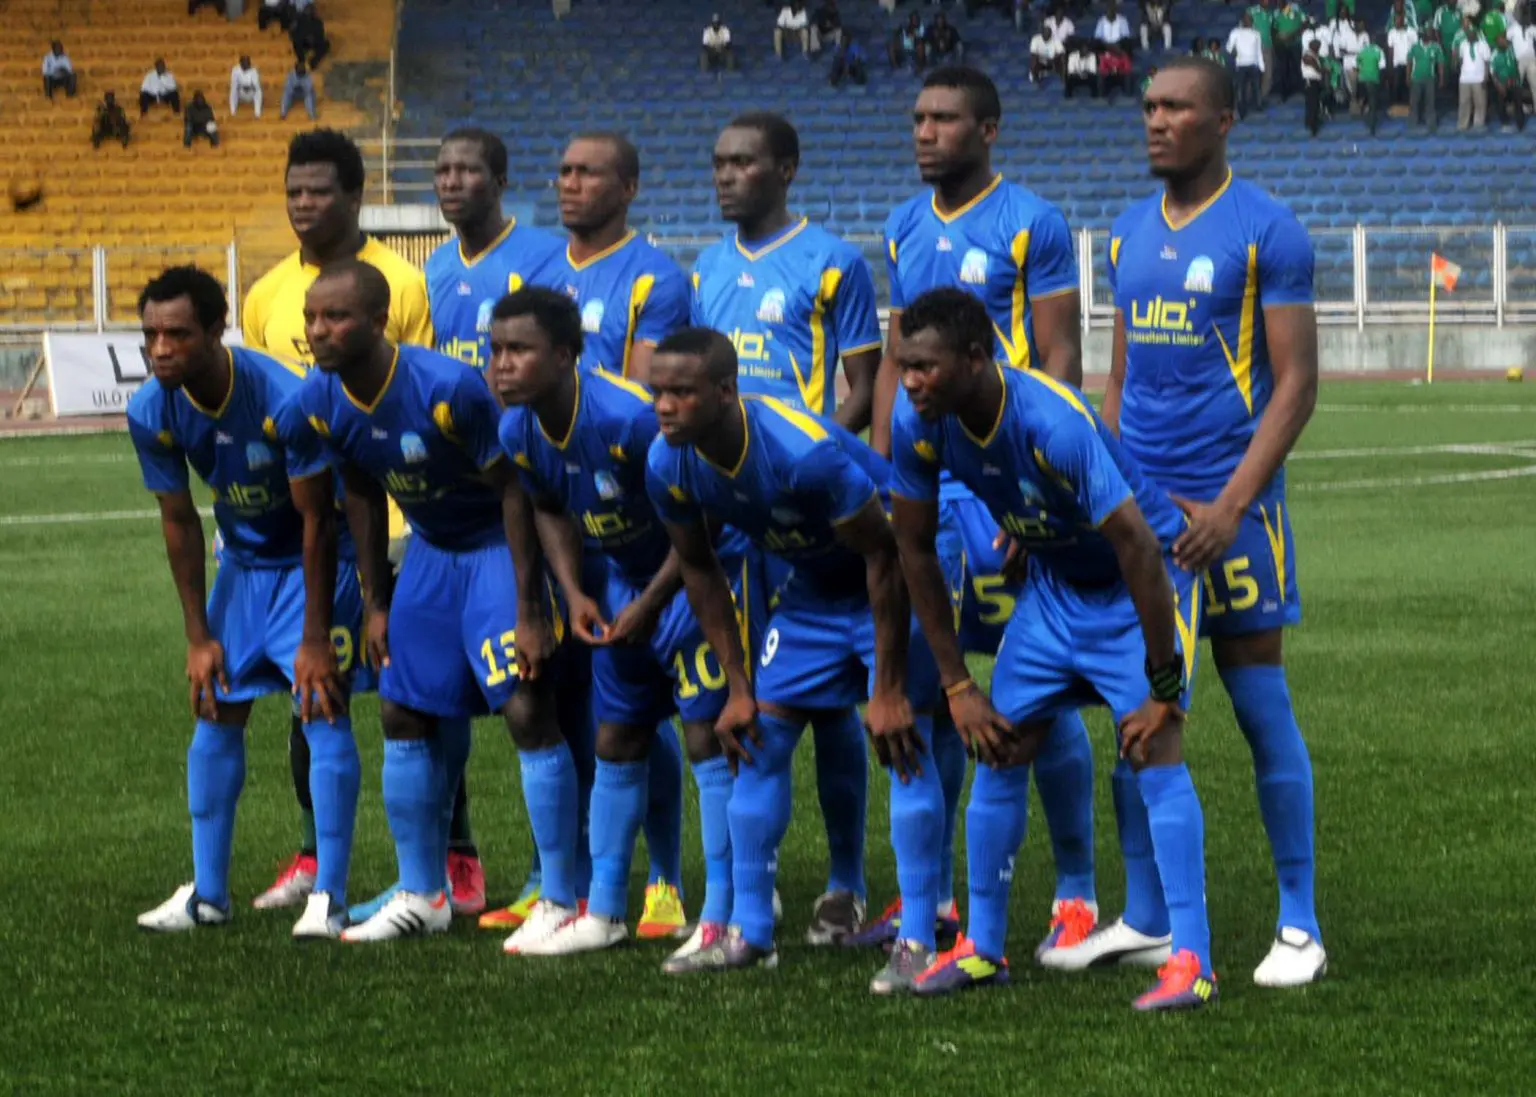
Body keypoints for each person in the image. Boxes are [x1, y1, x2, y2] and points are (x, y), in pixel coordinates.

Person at [886, 289, 1211, 1011]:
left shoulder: (1051, 420)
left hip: (1136, 583)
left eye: (925, 367)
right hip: (1056, 589)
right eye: (903, 366)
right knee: (999, 746)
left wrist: (1164, 687)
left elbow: (1139, 546)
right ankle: (982, 949)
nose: (909, 383)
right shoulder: (919, 424)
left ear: (977, 359)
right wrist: (956, 685)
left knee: (1153, 747)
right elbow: (912, 547)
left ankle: (1192, 959)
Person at [1091, 55, 1326, 989]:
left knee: (1260, 705)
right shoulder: (1125, 232)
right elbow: (1119, 378)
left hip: (1235, 516)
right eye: (1149, 106)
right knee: (1135, 710)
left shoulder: (1268, 230)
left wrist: (1232, 506)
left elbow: (1297, 384)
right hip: (1144, 519)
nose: (1156, 121)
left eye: (1176, 107)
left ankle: (1300, 922)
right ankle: (1148, 915)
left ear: (1224, 120)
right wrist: (1106, 489)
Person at [273, 259, 573, 946]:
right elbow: (359, 492)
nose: (318, 330)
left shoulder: (448, 388)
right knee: (401, 710)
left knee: (525, 708)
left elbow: (515, 488)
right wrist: (376, 600)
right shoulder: (320, 399)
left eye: (336, 316)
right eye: (312, 317)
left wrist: (530, 607)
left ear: (379, 321)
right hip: (431, 553)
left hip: (494, 545)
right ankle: (423, 892)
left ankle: (558, 896)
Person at [871, 66, 1098, 964]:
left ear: (989, 129)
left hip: (1007, 486)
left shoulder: (1031, 221)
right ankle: (929, 895)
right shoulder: (902, 223)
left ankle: (1076, 892)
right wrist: (888, 463)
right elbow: (897, 357)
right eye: (918, 118)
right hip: (932, 480)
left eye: (945, 118)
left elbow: (1058, 354)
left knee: (1034, 688)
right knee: (934, 688)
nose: (925, 132)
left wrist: (1033, 488)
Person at [645, 329, 945, 996]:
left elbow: (885, 553)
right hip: (812, 588)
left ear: (726, 392)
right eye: (657, 392)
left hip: (891, 573)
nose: (664, 406)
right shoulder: (667, 462)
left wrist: (887, 687)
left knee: (904, 742)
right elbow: (699, 568)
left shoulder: (799, 452)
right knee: (757, 740)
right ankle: (750, 932)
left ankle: (919, 937)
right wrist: (738, 687)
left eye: (681, 392)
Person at [488, 290, 754, 962]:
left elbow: (703, 516)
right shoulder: (517, 429)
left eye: (518, 350)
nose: (501, 365)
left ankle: (724, 907)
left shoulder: (629, 420)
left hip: (695, 578)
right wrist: (576, 590)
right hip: (622, 585)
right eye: (495, 350)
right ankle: (603, 909)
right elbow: (549, 505)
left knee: (706, 734)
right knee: (617, 735)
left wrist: (653, 602)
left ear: (565, 356)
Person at [484, 131, 694, 938]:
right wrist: (559, 587)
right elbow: (540, 479)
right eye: (562, 170)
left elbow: (640, 414)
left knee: (655, 711)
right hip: (578, 525)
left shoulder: (653, 277)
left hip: (642, 522)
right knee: (591, 710)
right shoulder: (535, 279)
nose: (569, 183)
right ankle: (566, 881)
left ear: (628, 186)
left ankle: (667, 879)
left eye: (587, 171)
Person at [691, 112, 883, 946]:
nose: (726, 175)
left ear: (787, 169)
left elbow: (865, 385)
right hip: (733, 515)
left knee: (831, 709)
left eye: (744, 162)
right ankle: (747, 891)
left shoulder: (832, 261)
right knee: (740, 703)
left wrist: (803, 464)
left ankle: (846, 883)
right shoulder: (705, 266)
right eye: (719, 162)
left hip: (807, 509)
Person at [129, 266, 364, 941]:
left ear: (216, 330)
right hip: (243, 565)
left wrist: (315, 636)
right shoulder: (151, 409)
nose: (161, 349)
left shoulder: (283, 396)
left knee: (320, 709)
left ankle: (330, 895)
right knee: (214, 709)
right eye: (151, 335)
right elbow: (178, 520)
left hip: (313, 563)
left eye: (178, 333)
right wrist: (198, 634)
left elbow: (319, 520)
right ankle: (208, 893)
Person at [242, 129, 434, 914]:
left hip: (394, 519)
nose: (303, 204)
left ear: (356, 196)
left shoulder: (403, 283)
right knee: (312, 681)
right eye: (293, 190)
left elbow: (417, 390)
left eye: (319, 191)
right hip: (306, 523)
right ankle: (313, 851)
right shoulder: (265, 294)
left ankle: (450, 857)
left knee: (415, 690)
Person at [1230, 13, 1267, 117]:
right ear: (1242, 21)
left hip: (1254, 64)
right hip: (1241, 65)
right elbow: (1229, 48)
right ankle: (1242, 110)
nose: (1248, 21)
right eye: (1246, 19)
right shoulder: (1235, 32)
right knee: (1241, 89)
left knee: (1256, 87)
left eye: (1250, 19)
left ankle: (1258, 106)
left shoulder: (1256, 33)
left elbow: (1259, 51)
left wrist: (1262, 66)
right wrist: (1233, 51)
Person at [1408, 28, 1443, 127]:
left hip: (1430, 78)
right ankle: (1413, 122)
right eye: (1425, 33)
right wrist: (1407, 76)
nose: (1427, 35)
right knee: (1414, 102)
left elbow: (1440, 63)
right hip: (1416, 78)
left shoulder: (1436, 47)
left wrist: (1441, 78)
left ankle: (1431, 122)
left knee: (1430, 102)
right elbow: (1409, 62)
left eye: (1429, 33)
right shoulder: (1414, 46)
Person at [1490, 32, 1526, 128]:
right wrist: (1499, 85)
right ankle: (1504, 122)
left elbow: (1516, 64)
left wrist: (1516, 79)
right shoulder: (1494, 54)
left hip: (1514, 81)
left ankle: (1520, 125)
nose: (1502, 42)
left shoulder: (1512, 50)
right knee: (1501, 103)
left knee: (1518, 102)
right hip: (1502, 83)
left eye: (1503, 40)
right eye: (1500, 41)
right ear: (1497, 43)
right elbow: (1493, 72)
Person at [1356, 30, 1386, 131]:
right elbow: (1382, 67)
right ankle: (1372, 126)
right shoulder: (1379, 51)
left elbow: (1357, 64)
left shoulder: (1363, 50)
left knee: (1365, 98)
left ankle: (1363, 108)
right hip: (1373, 79)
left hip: (1362, 79)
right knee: (1373, 102)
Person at [1387, 13, 1420, 103]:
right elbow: (1390, 50)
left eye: (1399, 20)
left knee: (1409, 85)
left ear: (1404, 21)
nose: (1397, 22)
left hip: (1410, 63)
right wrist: (1390, 66)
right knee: (1396, 86)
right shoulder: (1391, 32)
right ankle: (1397, 105)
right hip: (1397, 63)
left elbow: (1416, 48)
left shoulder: (1412, 32)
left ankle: (1410, 105)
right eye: (1395, 20)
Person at [1249, 0, 1277, 101]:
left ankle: (1262, 97)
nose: (1267, 1)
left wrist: (1273, 45)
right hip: (1253, 47)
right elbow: (1243, 27)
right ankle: (1249, 97)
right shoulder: (1251, 11)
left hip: (1267, 47)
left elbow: (1273, 30)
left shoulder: (1271, 14)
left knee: (1268, 74)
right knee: (1251, 73)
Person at [1302, 42, 1327, 132]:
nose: (1319, 48)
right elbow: (1317, 68)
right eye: (1317, 46)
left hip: (1315, 81)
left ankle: (1310, 122)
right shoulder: (1307, 55)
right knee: (1312, 104)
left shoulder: (1316, 56)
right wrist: (1325, 70)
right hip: (1310, 81)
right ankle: (1313, 126)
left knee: (1314, 103)